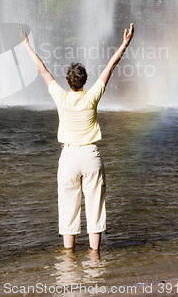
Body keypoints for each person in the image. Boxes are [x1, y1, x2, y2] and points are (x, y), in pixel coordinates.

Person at [21, 23, 134, 253]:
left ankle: (69, 259)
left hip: (69, 156)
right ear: (84, 81)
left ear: (67, 81)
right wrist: (125, 43)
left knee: (68, 206)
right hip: (91, 155)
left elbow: (42, 70)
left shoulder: (61, 97)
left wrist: (26, 45)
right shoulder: (92, 96)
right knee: (95, 206)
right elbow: (110, 67)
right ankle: (94, 258)